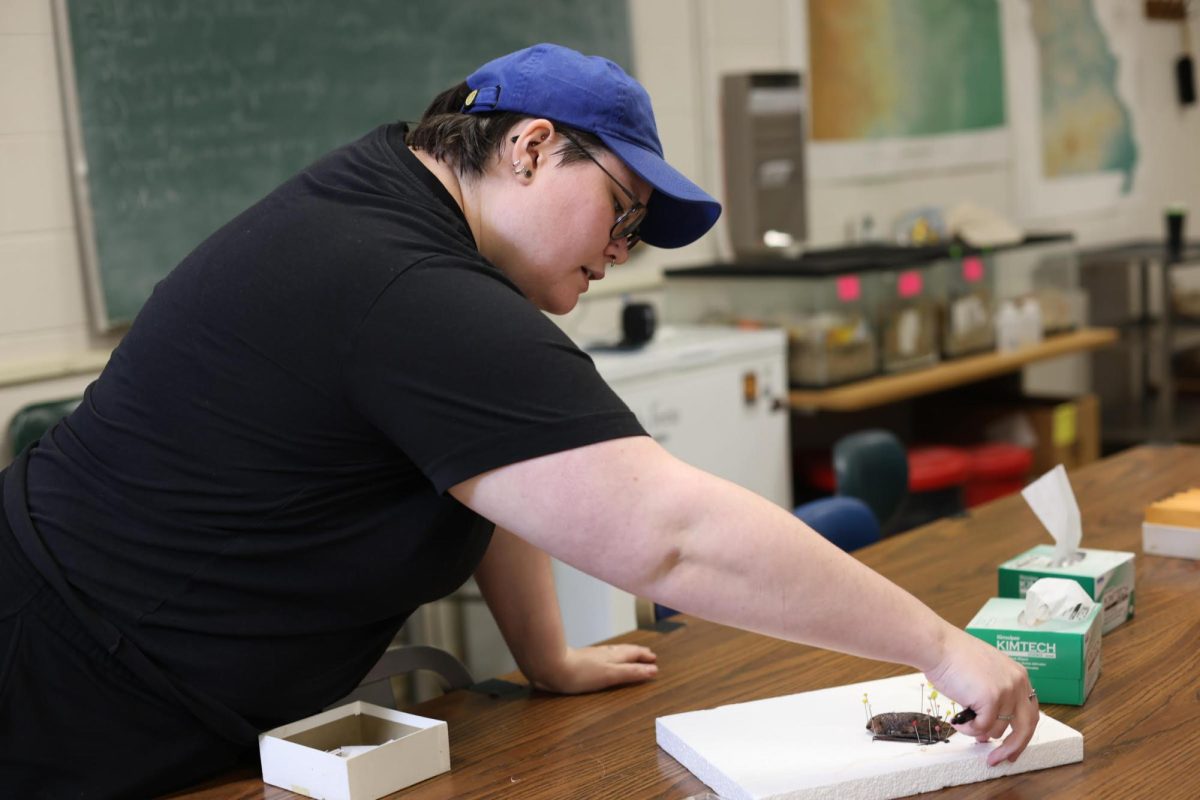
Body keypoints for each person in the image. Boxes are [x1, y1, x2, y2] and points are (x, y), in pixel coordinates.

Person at [0, 43, 1036, 797]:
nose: (621, 254)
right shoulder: (404, 284)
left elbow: (488, 469)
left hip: (133, 678)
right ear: (533, 147)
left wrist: (548, 655)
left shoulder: (393, 216)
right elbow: (669, 538)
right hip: (61, 693)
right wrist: (940, 647)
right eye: (622, 214)